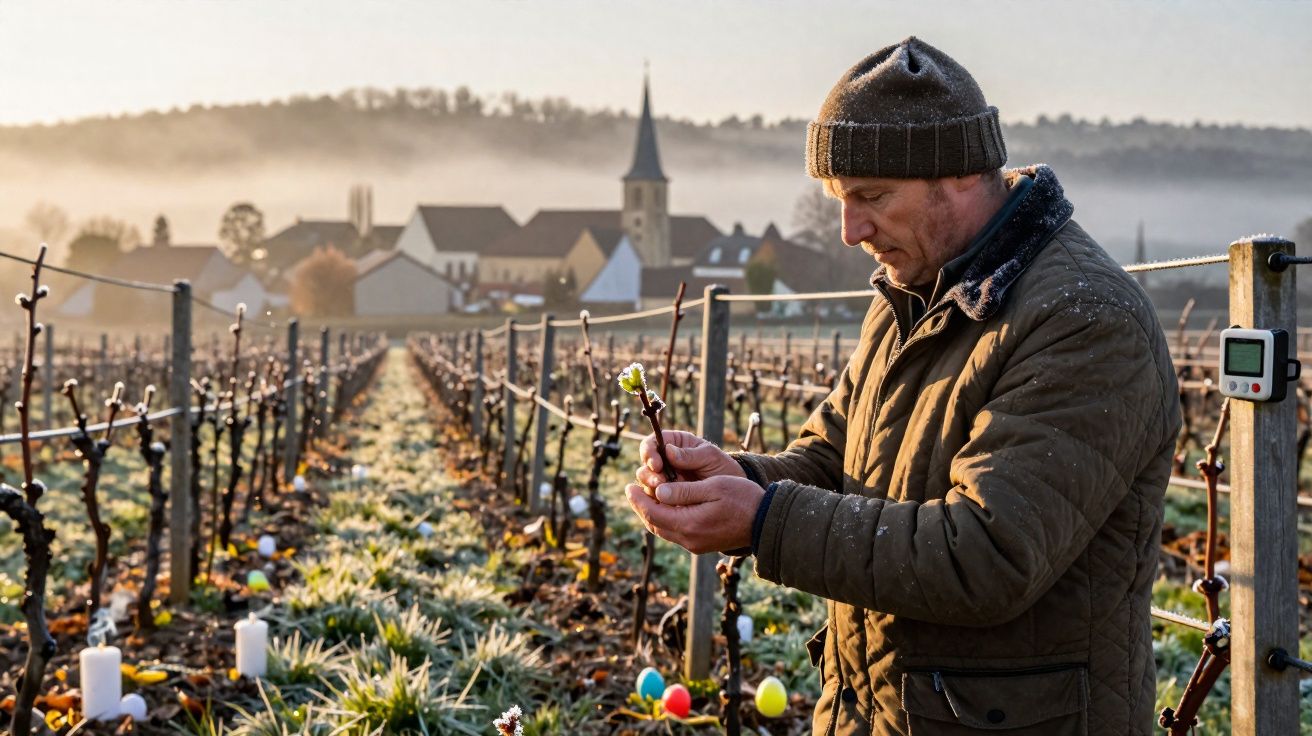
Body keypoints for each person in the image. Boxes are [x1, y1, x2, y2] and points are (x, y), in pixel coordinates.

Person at [625, 37, 1180, 735]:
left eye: (871, 198)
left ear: (955, 175)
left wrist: (761, 519)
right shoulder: (913, 293)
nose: (851, 230)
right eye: (838, 199)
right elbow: (832, 461)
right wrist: (731, 479)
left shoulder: (1085, 319)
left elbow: (987, 555)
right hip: (877, 711)